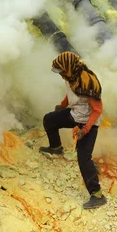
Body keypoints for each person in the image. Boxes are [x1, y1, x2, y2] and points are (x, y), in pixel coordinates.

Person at [39, 51, 107, 209]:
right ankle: (56, 148)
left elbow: (97, 110)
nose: (60, 75)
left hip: (89, 121)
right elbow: (70, 94)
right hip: (75, 114)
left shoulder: (88, 82)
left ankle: (97, 195)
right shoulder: (70, 76)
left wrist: (85, 130)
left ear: (68, 68)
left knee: (84, 158)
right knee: (49, 119)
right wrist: (62, 106)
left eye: (61, 71)